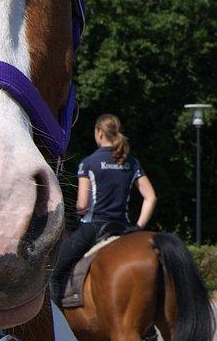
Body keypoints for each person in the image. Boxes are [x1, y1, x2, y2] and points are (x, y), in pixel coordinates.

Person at [50, 114, 158, 305]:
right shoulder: (131, 162)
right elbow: (151, 197)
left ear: (100, 133)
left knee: (55, 270)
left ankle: (59, 312)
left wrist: (79, 210)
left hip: (94, 227)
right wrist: (138, 227)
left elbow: (82, 204)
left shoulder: (89, 162)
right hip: (124, 228)